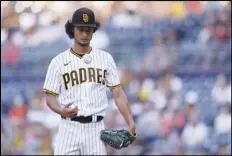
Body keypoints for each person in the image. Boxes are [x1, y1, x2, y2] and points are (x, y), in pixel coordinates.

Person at [41, 7, 136, 155]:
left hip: (95, 128)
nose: (85, 34)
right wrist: (61, 110)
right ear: (73, 30)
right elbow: (50, 97)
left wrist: (130, 121)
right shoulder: (58, 62)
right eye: (81, 29)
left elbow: (118, 94)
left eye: (89, 30)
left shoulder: (106, 59)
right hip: (68, 128)